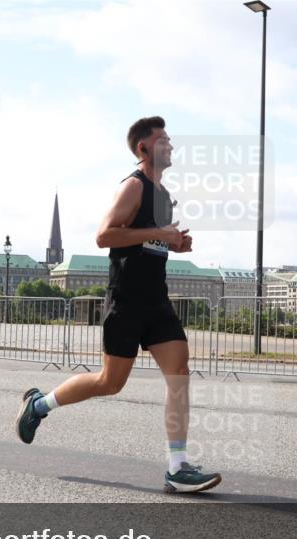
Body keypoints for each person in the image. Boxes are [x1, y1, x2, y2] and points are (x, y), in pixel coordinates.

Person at [16, 116, 221, 493]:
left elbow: (145, 242)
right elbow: (105, 235)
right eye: (162, 140)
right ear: (143, 149)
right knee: (109, 382)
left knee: (180, 373)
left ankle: (177, 467)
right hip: (126, 302)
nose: (170, 145)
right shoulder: (134, 186)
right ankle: (39, 406)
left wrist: (174, 243)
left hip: (157, 302)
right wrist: (161, 233)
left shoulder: (162, 194)